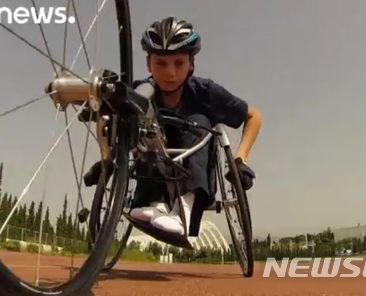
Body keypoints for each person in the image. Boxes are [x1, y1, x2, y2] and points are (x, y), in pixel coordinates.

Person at [82, 16, 263, 238]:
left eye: (179, 63)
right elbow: (106, 117)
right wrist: (106, 159)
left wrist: (240, 160)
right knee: (138, 117)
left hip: (196, 159)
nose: (170, 72)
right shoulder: (141, 91)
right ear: (149, 63)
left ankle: (184, 209)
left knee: (200, 120)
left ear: (191, 64)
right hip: (153, 164)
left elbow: (254, 116)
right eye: (161, 63)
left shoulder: (206, 92)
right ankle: (153, 203)